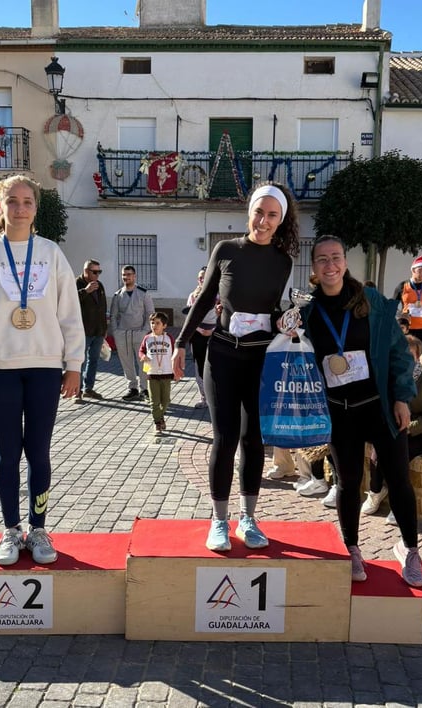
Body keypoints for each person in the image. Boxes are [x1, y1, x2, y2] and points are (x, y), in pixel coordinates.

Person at [0, 175, 84, 566]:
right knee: (7, 453)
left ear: (35, 208)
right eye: (12, 201)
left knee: (39, 452)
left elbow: (69, 313)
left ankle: (39, 527)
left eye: (27, 201)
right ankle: (11, 530)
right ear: (1, 207)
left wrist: (74, 365)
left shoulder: (50, 252)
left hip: (45, 368)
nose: (20, 208)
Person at [172, 182, 299, 552]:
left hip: (260, 359)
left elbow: (273, 308)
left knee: (252, 439)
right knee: (224, 438)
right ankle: (218, 520)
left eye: (272, 215)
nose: (263, 220)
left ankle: (249, 518)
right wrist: (181, 343)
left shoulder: (282, 260)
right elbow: (205, 299)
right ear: (249, 212)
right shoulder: (226, 249)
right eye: (259, 212)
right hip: (224, 354)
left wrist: (285, 319)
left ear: (281, 220)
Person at [301, 235, 422, 586]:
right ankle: (353, 549)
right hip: (339, 412)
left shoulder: (370, 300)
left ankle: (410, 549)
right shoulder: (307, 310)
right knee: (348, 482)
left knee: (399, 478)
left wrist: (402, 397)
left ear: (345, 261)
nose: (330, 265)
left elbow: (399, 352)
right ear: (313, 267)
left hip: (379, 406)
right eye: (322, 259)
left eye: (336, 257)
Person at [363, 334, 422, 525]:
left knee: (399, 455)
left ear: (418, 357)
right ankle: (375, 491)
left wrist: (408, 428)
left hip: (421, 434)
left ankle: (397, 505)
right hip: (392, 428)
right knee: (378, 449)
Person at [109, 265, 154, 402]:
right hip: (123, 334)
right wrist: (116, 332)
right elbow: (113, 315)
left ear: (134, 276)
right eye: (124, 275)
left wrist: (145, 331)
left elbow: (150, 313)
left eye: (129, 274)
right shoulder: (118, 295)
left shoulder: (143, 293)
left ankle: (145, 389)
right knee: (126, 362)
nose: (126, 277)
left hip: (140, 333)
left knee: (143, 362)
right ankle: (132, 388)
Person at [74, 259, 109, 404]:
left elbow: (103, 306)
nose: (97, 275)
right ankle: (77, 391)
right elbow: (70, 301)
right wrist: (85, 291)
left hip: (98, 330)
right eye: (94, 272)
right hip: (83, 330)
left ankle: (89, 388)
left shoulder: (100, 285)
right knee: (78, 362)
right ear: (86, 271)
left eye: (99, 272)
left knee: (93, 360)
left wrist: (104, 328)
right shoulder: (76, 283)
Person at [185, 266, 218, 409]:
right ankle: (204, 397)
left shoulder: (219, 296)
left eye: (204, 277)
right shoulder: (193, 296)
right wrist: (199, 329)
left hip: (214, 334)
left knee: (214, 365)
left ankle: (215, 397)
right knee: (199, 366)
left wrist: (211, 331)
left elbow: (224, 316)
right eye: (199, 277)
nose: (201, 279)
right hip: (197, 335)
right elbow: (189, 317)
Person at [138, 312, 176, 435]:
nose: (154, 325)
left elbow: (175, 354)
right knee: (154, 401)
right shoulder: (147, 338)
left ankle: (160, 416)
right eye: (152, 322)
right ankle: (157, 423)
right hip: (152, 373)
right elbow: (141, 351)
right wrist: (143, 356)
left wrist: (177, 370)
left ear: (164, 325)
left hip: (166, 372)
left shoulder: (169, 338)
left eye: (157, 323)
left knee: (165, 401)